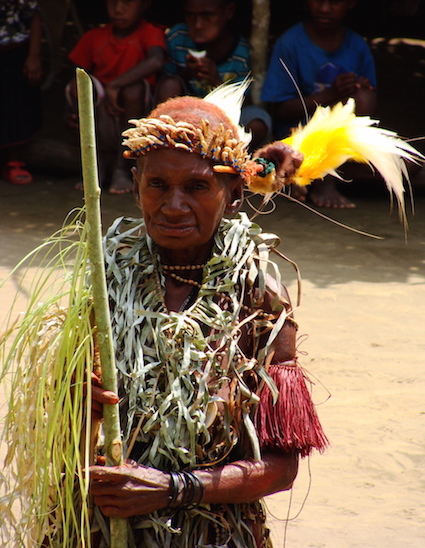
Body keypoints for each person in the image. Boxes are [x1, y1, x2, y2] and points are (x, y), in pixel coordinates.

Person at [86, 88, 327, 547]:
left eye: (196, 187)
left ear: (234, 193)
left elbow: (282, 466)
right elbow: (60, 436)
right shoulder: (102, 282)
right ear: (136, 183)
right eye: (158, 184)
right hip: (99, 528)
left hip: (214, 534)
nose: (174, 206)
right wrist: (76, 406)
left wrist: (172, 490)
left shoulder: (262, 302)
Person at [261, 0, 377, 208]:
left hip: (340, 146)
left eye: (334, 1)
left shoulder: (357, 46)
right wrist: (331, 94)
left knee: (410, 166)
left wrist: (359, 89)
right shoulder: (290, 43)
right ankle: (320, 180)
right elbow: (280, 109)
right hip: (298, 136)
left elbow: (369, 107)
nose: (325, 9)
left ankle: (316, 175)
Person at [67, 0, 167, 194]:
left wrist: (116, 85)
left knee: (133, 90)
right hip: (101, 116)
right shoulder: (95, 37)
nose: (119, 9)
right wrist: (69, 112)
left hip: (136, 118)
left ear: (145, 5)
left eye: (127, 3)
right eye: (113, 2)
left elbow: (156, 60)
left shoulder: (150, 33)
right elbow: (76, 77)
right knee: (81, 86)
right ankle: (97, 169)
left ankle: (122, 167)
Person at [155, 0, 272, 150]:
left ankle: (229, 159)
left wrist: (216, 82)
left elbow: (246, 101)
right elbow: (164, 84)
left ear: (228, 11)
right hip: (185, 111)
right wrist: (187, 73)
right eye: (191, 15)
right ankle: (167, 148)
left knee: (258, 122)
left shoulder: (242, 53)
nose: (198, 25)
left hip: (227, 117)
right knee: (170, 84)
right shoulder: (177, 39)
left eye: (207, 15)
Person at [0, 0, 43, 185]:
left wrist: (33, 56)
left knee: (15, 107)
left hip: (14, 49)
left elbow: (34, 16)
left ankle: (13, 161)